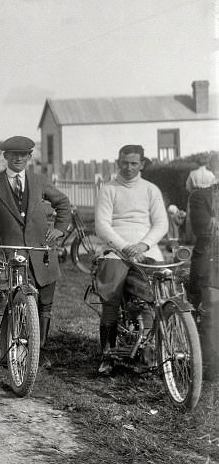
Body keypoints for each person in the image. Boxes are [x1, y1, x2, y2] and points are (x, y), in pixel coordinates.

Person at [0, 136, 72, 368]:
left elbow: (63, 203)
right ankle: (7, 347)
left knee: (44, 305)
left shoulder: (39, 181)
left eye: (23, 155)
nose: (18, 159)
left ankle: (38, 350)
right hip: (12, 256)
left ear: (29, 157)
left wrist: (59, 230)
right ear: (5, 156)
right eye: (13, 155)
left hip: (42, 254)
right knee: (11, 301)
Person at [93, 144, 169, 375]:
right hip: (116, 250)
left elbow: (161, 223)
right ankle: (108, 354)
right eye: (125, 163)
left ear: (142, 164)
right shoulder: (108, 189)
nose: (129, 167)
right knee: (111, 298)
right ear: (118, 162)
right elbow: (102, 225)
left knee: (147, 298)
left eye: (134, 163)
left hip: (146, 250)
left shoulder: (150, 190)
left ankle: (146, 354)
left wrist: (144, 244)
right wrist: (125, 246)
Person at [186, 174, 218, 380]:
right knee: (211, 309)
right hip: (212, 258)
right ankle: (211, 363)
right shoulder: (202, 195)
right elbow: (204, 230)